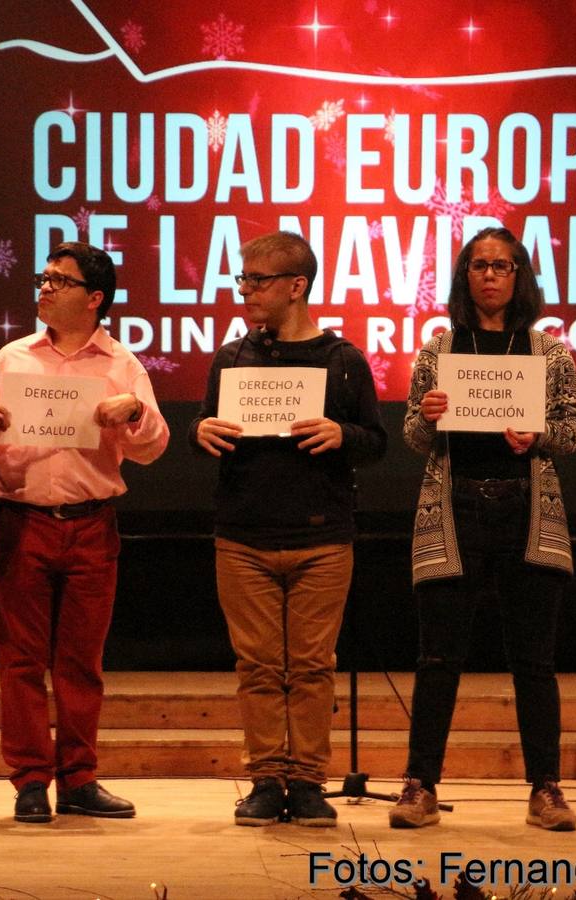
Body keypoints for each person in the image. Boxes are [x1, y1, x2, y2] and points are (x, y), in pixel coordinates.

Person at [0, 241, 169, 824]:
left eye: (59, 280)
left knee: (81, 661)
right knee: (20, 659)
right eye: (42, 277)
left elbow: (152, 448)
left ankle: (79, 779)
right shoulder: (12, 358)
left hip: (91, 524)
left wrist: (133, 413)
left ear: (95, 298)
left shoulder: (122, 365)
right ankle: (30, 781)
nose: (44, 287)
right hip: (19, 520)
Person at [390, 226, 576, 832]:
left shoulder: (548, 351)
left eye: (502, 266)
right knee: (437, 657)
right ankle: (420, 786)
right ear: (464, 276)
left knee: (534, 661)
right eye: (479, 265)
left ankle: (546, 789)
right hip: (454, 511)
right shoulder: (440, 348)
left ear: (519, 276)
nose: (490, 276)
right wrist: (426, 418)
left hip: (528, 511)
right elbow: (413, 436)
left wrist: (541, 437)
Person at [190, 231, 386, 827]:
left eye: (257, 280)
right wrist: (202, 433)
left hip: (322, 538)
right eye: (242, 279)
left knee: (311, 665)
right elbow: (207, 424)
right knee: (256, 665)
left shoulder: (344, 361)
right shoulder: (232, 357)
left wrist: (342, 436)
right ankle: (265, 778)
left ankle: (305, 782)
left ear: (296, 286)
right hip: (244, 535)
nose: (244, 290)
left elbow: (375, 441)